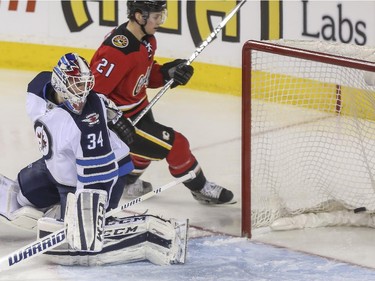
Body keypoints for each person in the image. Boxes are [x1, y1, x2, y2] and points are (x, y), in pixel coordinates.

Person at [0, 53, 188, 265]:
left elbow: (97, 180)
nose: (82, 93)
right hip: (56, 166)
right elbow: (89, 96)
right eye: (76, 85)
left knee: (81, 244)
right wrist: (113, 114)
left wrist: (81, 219)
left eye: (85, 85)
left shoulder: (89, 122)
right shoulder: (37, 88)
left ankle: (151, 234)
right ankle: (59, 208)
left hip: (106, 175)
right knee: (20, 197)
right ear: (58, 82)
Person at [90, 0, 234, 204]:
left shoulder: (146, 40)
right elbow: (92, 94)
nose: (160, 21)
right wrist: (113, 121)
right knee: (177, 145)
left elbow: (144, 76)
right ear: (140, 16)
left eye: (161, 15)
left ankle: (127, 182)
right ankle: (200, 188)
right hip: (122, 119)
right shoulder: (118, 52)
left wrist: (168, 73)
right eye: (156, 16)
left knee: (144, 152)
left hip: (139, 107)